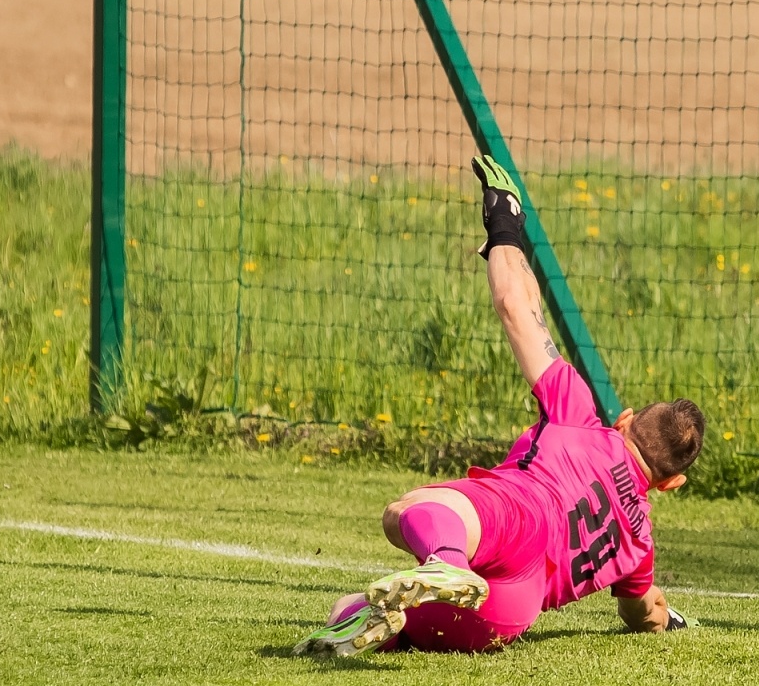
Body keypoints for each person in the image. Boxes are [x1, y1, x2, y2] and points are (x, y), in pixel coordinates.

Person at [294, 155, 704, 658]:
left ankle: (443, 560)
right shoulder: (639, 543)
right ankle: (372, 623)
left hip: (520, 518)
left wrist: (505, 224)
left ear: (625, 420)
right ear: (669, 483)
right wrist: (664, 620)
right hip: (509, 611)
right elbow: (644, 611)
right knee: (371, 604)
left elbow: (516, 307)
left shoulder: (579, 414)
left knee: (407, 509)